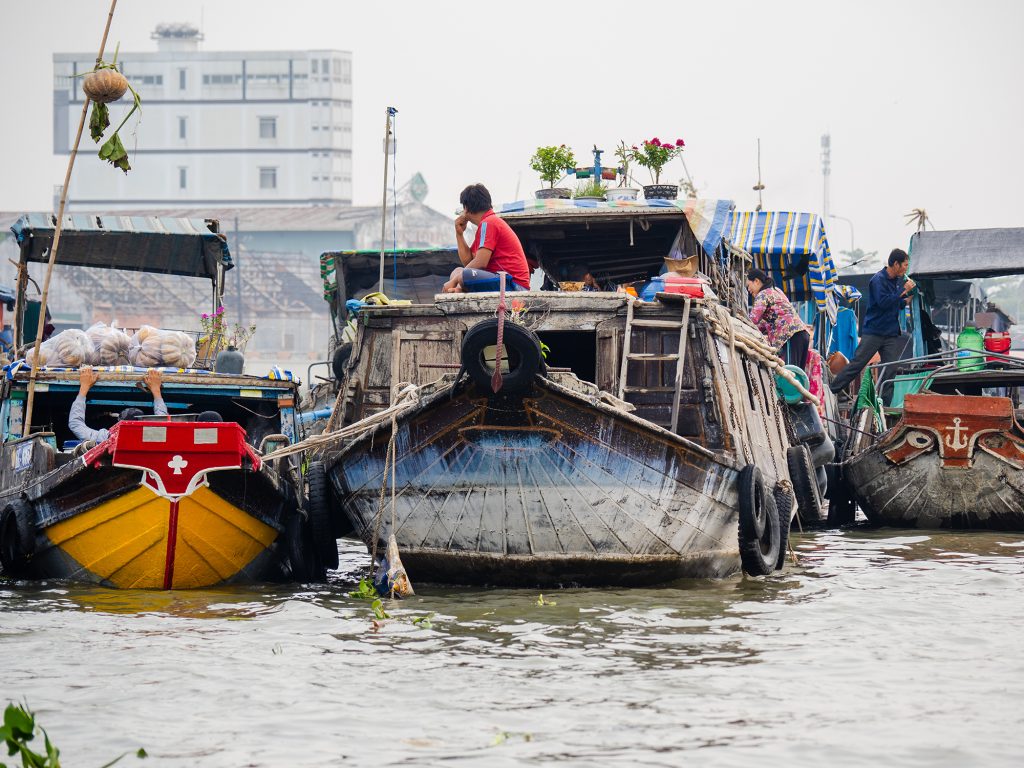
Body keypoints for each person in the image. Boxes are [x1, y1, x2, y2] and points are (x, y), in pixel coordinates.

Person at [829, 248, 915, 395]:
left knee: (891, 369)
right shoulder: (878, 280)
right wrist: (903, 290)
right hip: (874, 332)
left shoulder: (896, 282)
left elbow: (896, 304)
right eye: (905, 265)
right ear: (896, 264)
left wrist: (907, 299)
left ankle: (884, 404)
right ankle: (832, 391)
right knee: (857, 364)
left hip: (891, 333)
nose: (907, 268)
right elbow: (883, 303)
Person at [442, 183, 531, 293]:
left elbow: (480, 263)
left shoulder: (489, 223)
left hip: (514, 285)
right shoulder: (486, 224)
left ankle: (458, 290)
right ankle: (458, 290)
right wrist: (459, 234)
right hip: (504, 282)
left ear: (466, 207)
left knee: (462, 275)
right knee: (458, 271)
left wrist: (454, 281)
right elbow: (469, 262)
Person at [70, 367, 167, 444]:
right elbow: (165, 423)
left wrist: (84, 387)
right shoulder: (152, 436)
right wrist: (156, 391)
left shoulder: (109, 437)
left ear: (118, 424)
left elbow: (76, 424)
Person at [746, 268, 811, 370]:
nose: (748, 290)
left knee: (790, 373)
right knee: (797, 376)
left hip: (790, 336)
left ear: (757, 281)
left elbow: (752, 320)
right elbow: (767, 322)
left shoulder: (763, 294)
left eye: (748, 285)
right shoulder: (777, 291)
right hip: (802, 334)